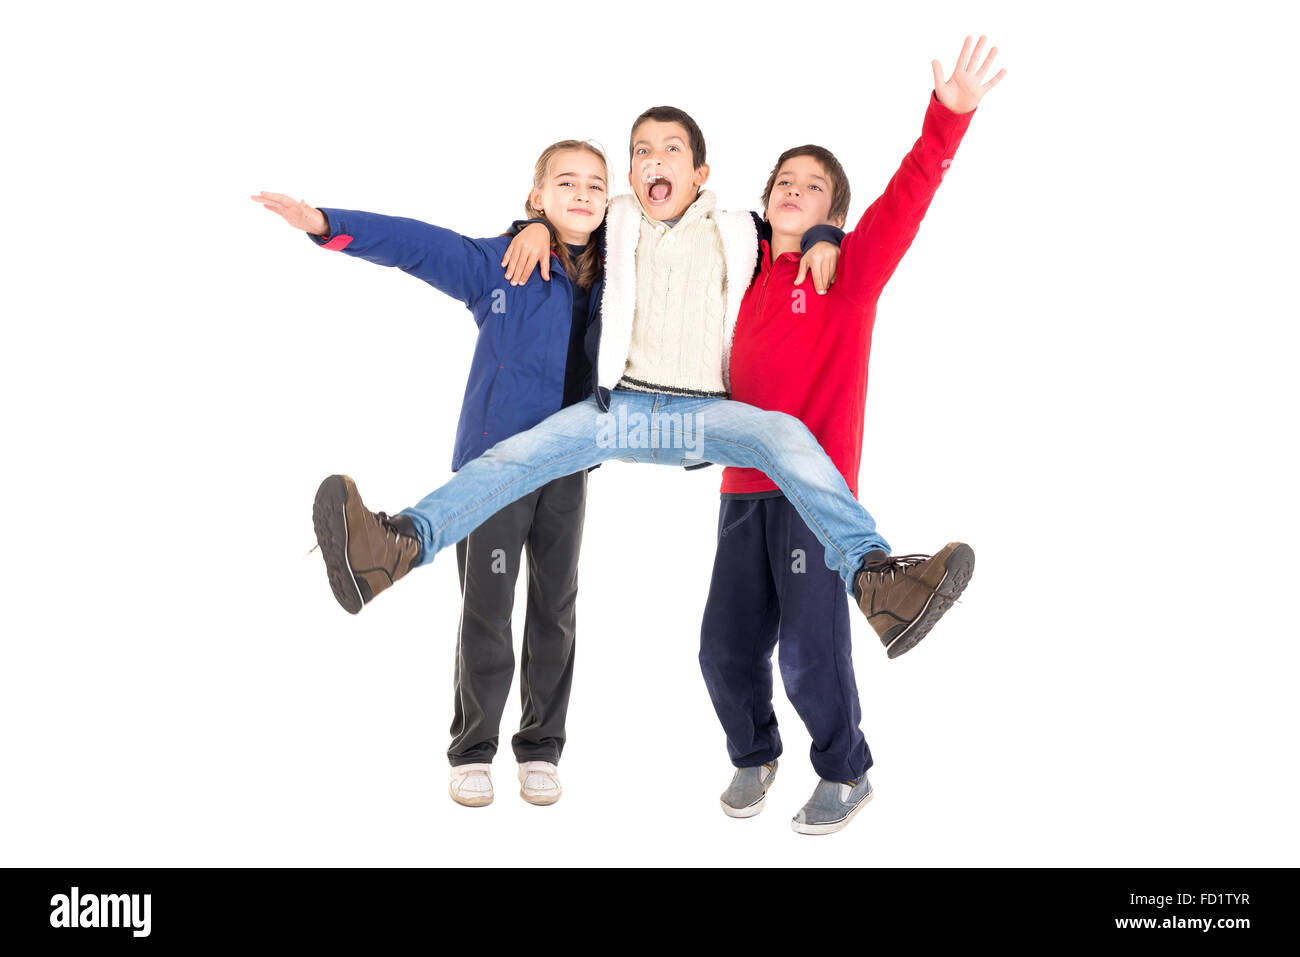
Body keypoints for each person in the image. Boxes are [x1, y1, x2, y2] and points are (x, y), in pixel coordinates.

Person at [308, 102, 973, 669]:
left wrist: (828, 231)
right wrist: (532, 223)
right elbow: (515, 225)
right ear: (630, 176)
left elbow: (811, 222)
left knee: (784, 434)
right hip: (619, 411)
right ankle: (394, 548)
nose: (656, 160)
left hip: (700, 419)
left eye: (672, 149)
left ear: (699, 173)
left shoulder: (741, 231)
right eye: (642, 152)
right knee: (515, 456)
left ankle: (875, 579)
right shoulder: (615, 218)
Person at [699, 35, 1005, 836]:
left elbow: (904, 202)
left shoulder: (847, 275)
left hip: (813, 496)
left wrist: (948, 120)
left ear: (834, 211)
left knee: (808, 653)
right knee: (722, 650)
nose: (795, 190)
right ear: (767, 201)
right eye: (784, 182)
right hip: (740, 493)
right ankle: (753, 751)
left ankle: (845, 770)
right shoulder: (747, 275)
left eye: (814, 187)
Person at [251, 139, 610, 809]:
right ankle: (474, 747)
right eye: (565, 182)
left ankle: (540, 746)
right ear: (537, 196)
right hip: (492, 472)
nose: (582, 193)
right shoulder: (503, 265)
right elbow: (419, 245)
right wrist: (327, 224)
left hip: (569, 469)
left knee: (556, 609)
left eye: (595, 183)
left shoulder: (622, 273)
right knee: (488, 608)